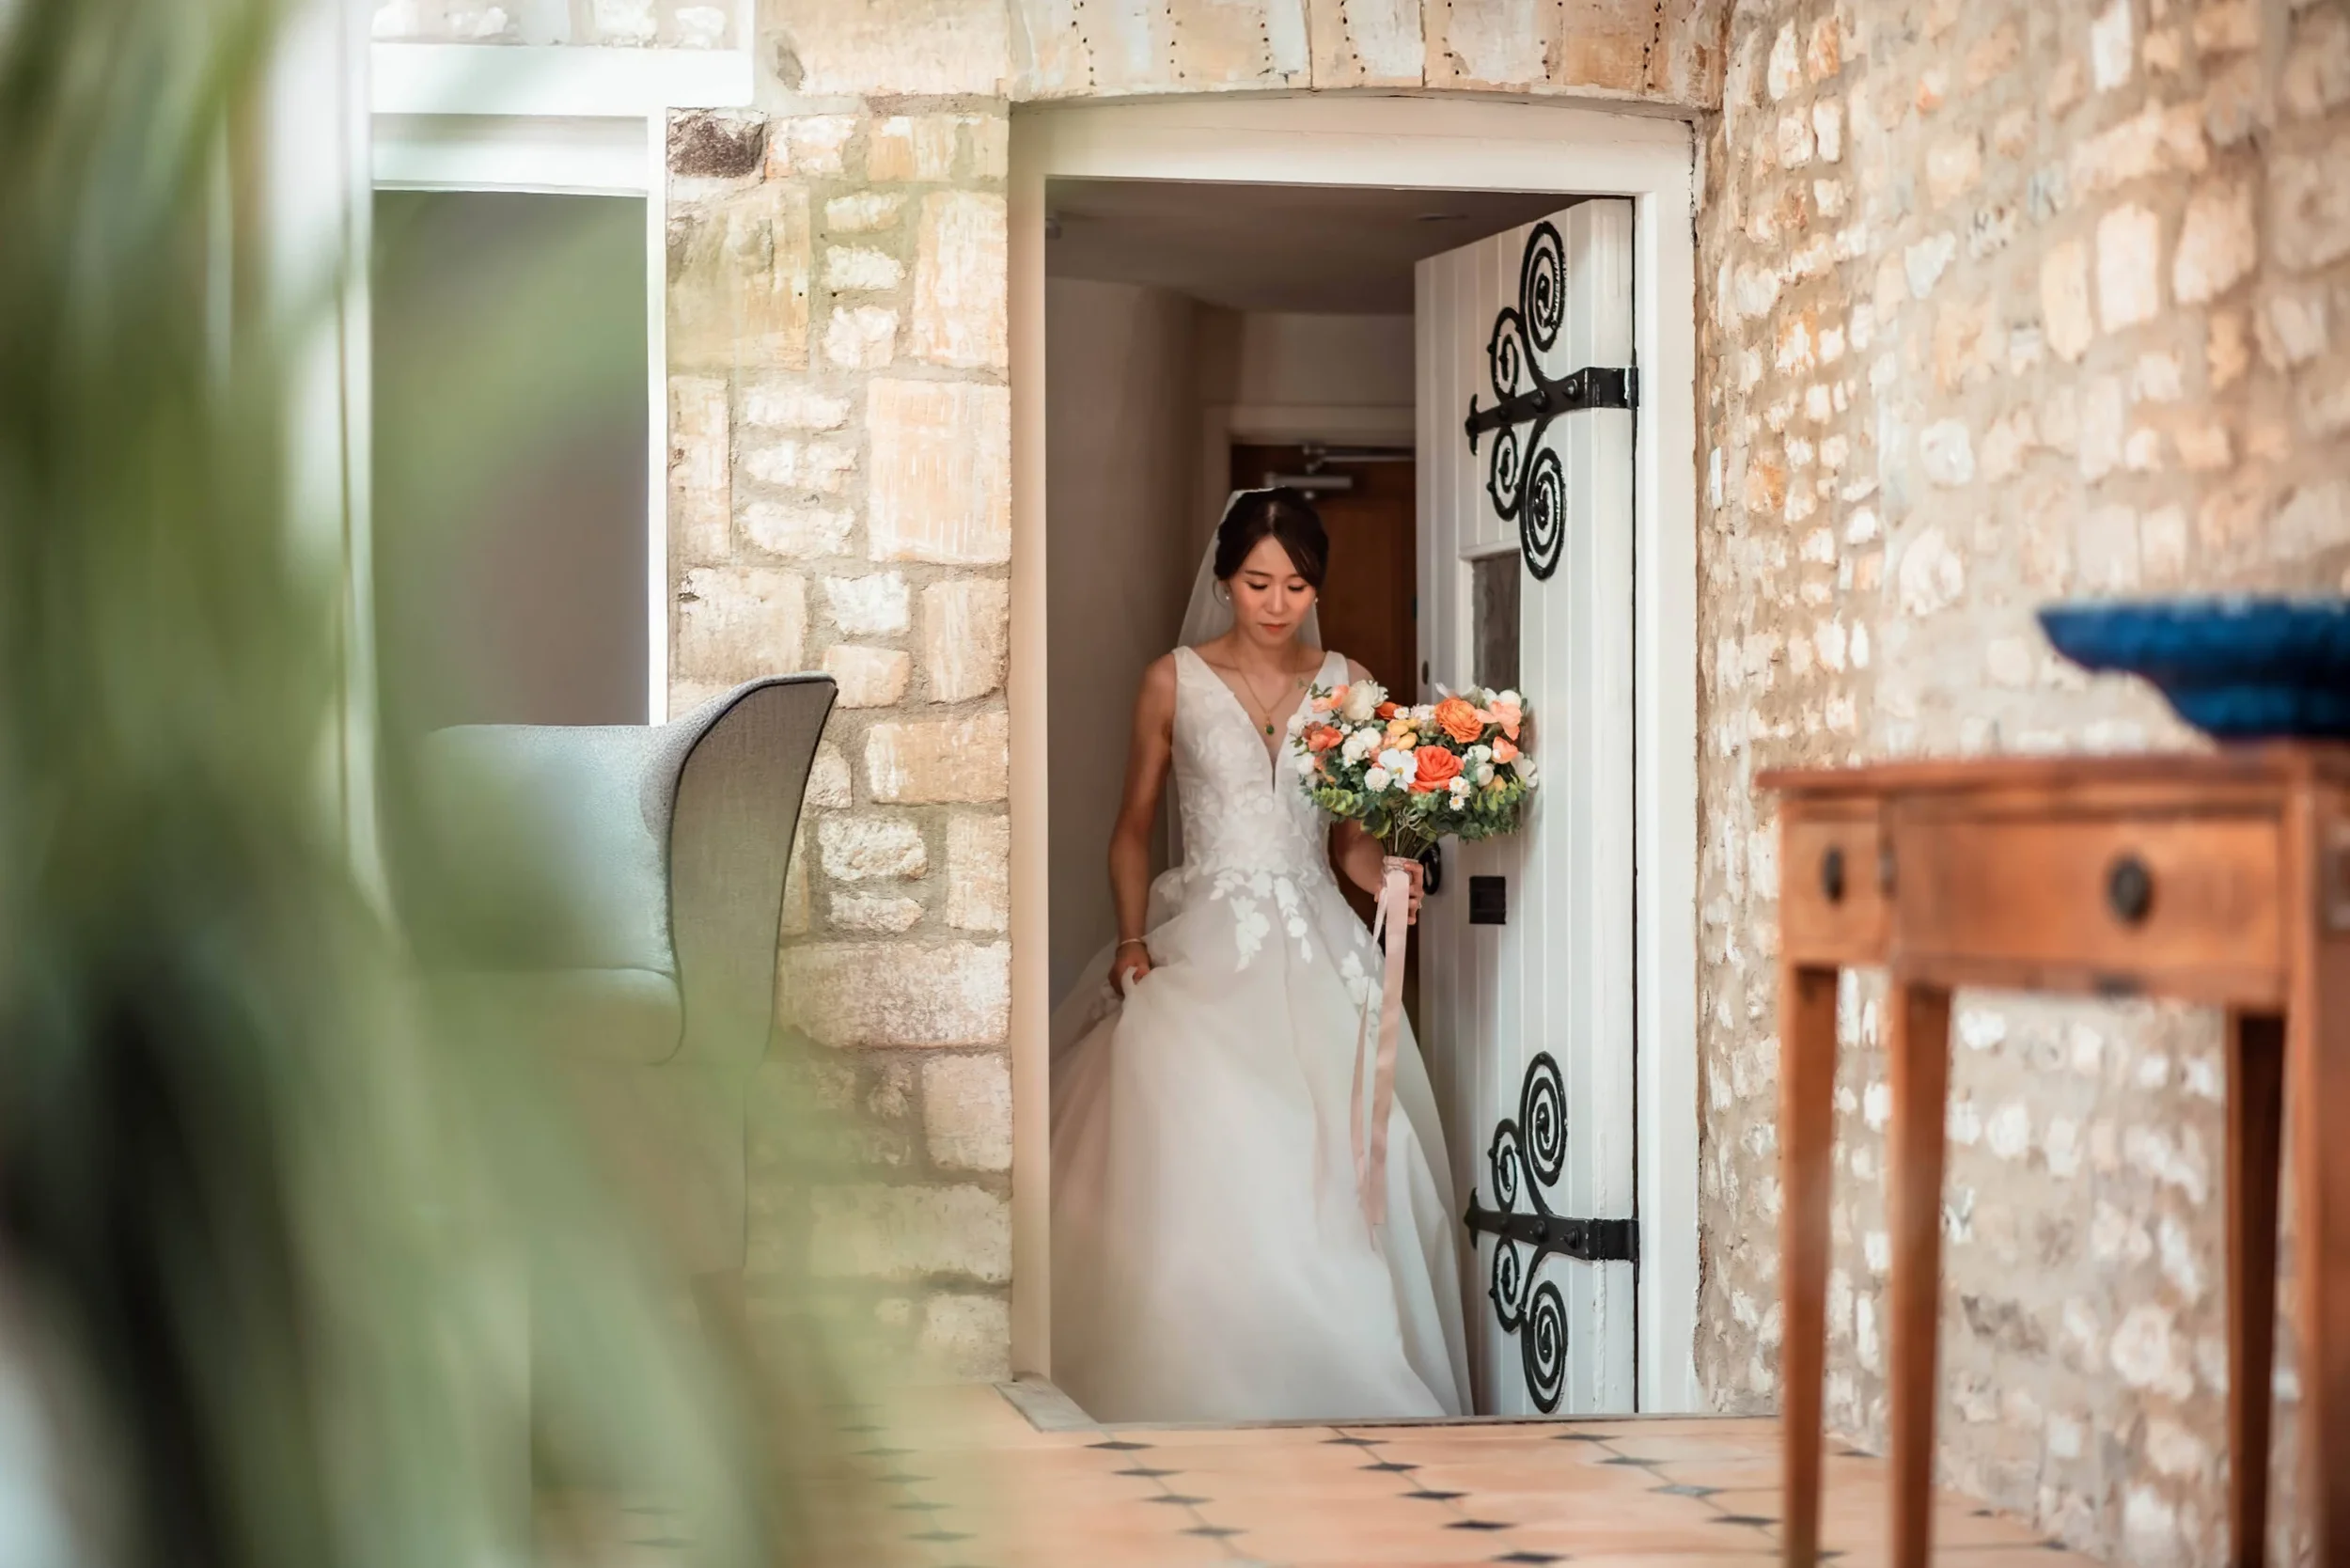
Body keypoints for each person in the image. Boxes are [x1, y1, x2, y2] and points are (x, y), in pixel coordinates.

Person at [1049, 487, 1470, 1422]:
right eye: (1256, 583)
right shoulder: (1171, 681)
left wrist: (1388, 878)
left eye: (1296, 585)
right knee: (1208, 1125)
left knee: (1353, 1149)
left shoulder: (1349, 683)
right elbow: (1131, 827)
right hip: (1205, 940)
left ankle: (1341, 1367)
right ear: (1224, 580)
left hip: (1319, 940)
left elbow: (1349, 843)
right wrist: (1130, 940)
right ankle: (1200, 1375)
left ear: (1316, 588)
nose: (1277, 604)